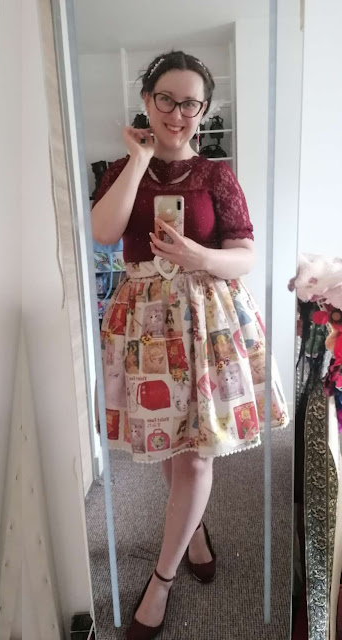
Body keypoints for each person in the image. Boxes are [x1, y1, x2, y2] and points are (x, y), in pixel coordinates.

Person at [91, 50, 288, 639]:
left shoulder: (216, 176)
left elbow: (245, 255)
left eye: (191, 104)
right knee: (167, 441)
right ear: (146, 100)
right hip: (144, 321)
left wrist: (200, 256)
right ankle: (193, 532)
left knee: (198, 451)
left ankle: (162, 579)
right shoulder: (122, 167)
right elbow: (103, 233)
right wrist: (139, 160)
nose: (178, 114)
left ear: (204, 110)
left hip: (208, 319)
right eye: (166, 100)